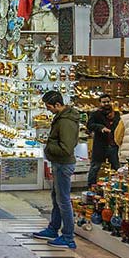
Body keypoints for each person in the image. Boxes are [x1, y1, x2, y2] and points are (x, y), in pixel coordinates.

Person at [33, 91, 80, 249]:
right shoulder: (62, 118)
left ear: (58, 105)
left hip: (63, 164)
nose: (48, 110)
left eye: (49, 107)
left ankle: (68, 237)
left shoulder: (66, 122)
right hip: (59, 163)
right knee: (57, 197)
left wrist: (49, 147)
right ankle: (53, 228)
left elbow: (66, 148)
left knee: (63, 200)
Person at [86, 94, 122, 187]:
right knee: (95, 167)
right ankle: (91, 186)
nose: (106, 104)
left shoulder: (116, 114)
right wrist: (100, 128)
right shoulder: (96, 114)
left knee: (116, 167)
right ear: (100, 103)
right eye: (104, 102)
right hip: (100, 145)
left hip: (113, 145)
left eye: (107, 101)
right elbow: (89, 125)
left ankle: (117, 187)